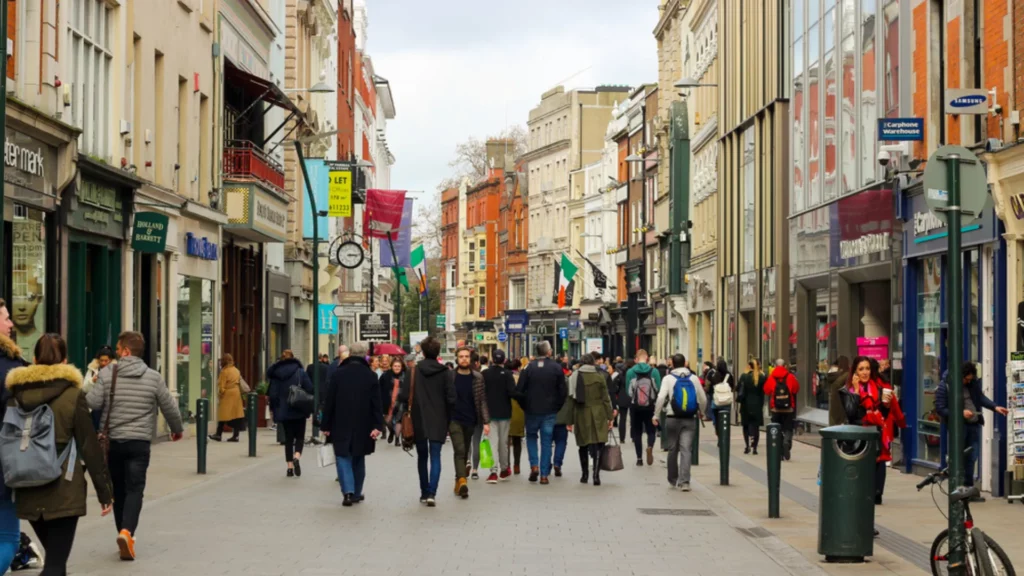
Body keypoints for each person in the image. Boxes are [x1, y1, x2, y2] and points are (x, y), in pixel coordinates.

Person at [7, 334, 114, 575]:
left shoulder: (15, 396)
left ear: (34, 359)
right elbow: (89, 445)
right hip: (63, 487)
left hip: (27, 485)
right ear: (65, 361)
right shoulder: (73, 396)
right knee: (55, 564)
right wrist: (104, 491)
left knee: (57, 562)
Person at [87, 330, 183, 561]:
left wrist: (93, 383)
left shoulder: (108, 373)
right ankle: (127, 532)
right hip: (139, 443)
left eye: (119, 350)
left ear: (126, 351)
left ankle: (123, 531)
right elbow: (169, 406)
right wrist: (176, 429)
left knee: (118, 490)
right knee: (135, 489)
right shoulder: (153, 377)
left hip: (113, 443)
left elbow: (92, 402)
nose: (117, 354)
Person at [322, 342, 385, 506]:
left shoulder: (338, 374)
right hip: (363, 423)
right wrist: (378, 425)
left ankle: (348, 492)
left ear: (350, 354)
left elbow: (330, 402)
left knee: (343, 456)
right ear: (365, 355)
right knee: (358, 458)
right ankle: (356, 492)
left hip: (340, 422)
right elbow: (376, 404)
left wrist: (326, 425)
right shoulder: (370, 375)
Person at [935, 362, 1007, 501]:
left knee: (971, 458)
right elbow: (941, 408)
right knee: (958, 458)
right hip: (958, 427)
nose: (968, 381)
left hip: (973, 425)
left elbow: (980, 398)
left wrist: (995, 407)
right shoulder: (946, 386)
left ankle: (968, 489)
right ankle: (958, 489)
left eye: (970, 379)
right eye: (966, 379)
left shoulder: (972, 384)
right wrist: (960, 413)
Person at [399, 337, 454, 507]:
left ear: (422, 352)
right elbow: (451, 399)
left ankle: (423, 492)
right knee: (435, 456)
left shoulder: (413, 371)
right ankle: (432, 493)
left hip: (418, 418)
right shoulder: (446, 373)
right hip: (439, 420)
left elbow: (403, 395)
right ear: (438, 352)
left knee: (422, 456)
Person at [0, 300, 28, 570]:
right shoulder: (10, 367)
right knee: (8, 539)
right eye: (5, 318)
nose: (11, 324)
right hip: (4, 465)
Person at [516, 341, 568, 484]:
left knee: (531, 437)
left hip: (532, 410)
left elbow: (519, 390)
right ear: (548, 352)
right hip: (549, 411)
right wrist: (557, 406)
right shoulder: (556, 368)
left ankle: (534, 466)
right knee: (546, 442)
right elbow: (563, 391)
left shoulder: (528, 368)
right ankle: (544, 475)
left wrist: (525, 406)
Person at [653, 354, 707, 491]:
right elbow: (703, 398)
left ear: (672, 364)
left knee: (672, 449)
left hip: (672, 418)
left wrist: (656, 415)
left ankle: (672, 479)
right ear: (685, 364)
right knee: (686, 450)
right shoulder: (694, 378)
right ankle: (685, 482)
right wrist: (702, 411)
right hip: (689, 418)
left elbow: (660, 398)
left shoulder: (668, 379)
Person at [566, 354, 615, 486]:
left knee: (583, 443)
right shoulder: (600, 376)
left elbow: (570, 400)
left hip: (581, 412)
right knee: (599, 443)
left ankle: (584, 474)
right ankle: (596, 475)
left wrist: (569, 421)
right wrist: (610, 417)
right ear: (593, 363)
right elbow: (606, 398)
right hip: (598, 412)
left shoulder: (574, 376)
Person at [449, 347, 489, 498]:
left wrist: (486, 421)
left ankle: (458, 480)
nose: (464, 359)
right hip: (454, 419)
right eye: (461, 357)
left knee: (464, 450)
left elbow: (482, 400)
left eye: (466, 356)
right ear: (457, 359)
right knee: (459, 449)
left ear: (471, 359)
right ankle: (462, 480)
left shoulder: (478, 377)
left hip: (471, 419)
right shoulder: (450, 376)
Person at [266, 350, 314, 478]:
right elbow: (309, 388)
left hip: (284, 410)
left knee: (288, 439)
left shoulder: (276, 374)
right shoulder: (300, 372)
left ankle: (289, 468)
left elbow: (273, 394)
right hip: (298, 409)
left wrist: (274, 410)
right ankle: (297, 456)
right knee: (299, 437)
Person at [482, 350, 518, 483]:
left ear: (492, 359)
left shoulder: (485, 374)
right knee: (503, 443)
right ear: (504, 360)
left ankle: (493, 472)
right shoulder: (508, 375)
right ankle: (504, 469)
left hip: (490, 413)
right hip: (505, 413)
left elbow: (482, 393)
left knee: (492, 442)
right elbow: (512, 392)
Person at [625, 349, 662, 466]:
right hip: (650, 406)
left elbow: (628, 391)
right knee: (651, 430)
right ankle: (650, 446)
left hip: (635, 407)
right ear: (647, 358)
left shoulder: (630, 372)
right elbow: (659, 389)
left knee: (637, 432)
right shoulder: (654, 371)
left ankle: (639, 458)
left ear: (636, 358)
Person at [763, 359, 799, 461]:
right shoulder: (790, 377)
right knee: (788, 428)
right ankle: (787, 441)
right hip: (788, 409)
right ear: (785, 366)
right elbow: (796, 389)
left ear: (775, 366)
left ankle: (779, 451)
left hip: (776, 409)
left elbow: (766, 390)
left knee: (777, 430)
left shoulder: (771, 378)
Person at [209, 354, 245, 442]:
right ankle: (236, 435)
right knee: (236, 415)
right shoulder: (236, 370)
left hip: (228, 393)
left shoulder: (224, 371)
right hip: (236, 393)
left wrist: (220, 394)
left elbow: (222, 386)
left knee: (223, 415)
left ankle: (218, 434)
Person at [737, 358, 766, 455]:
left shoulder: (744, 376)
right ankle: (755, 447)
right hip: (757, 405)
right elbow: (765, 390)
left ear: (749, 366)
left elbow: (737, 388)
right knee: (755, 426)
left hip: (745, 405)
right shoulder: (762, 377)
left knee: (746, 425)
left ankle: (747, 446)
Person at [379, 358, 406, 446]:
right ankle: (391, 431)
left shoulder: (405, 375)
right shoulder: (385, 375)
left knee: (399, 420)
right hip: (388, 401)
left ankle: (397, 439)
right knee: (387, 420)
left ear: (402, 367)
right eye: (395, 366)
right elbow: (379, 388)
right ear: (391, 366)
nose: (397, 368)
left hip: (401, 401)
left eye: (399, 366)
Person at [613, 361, 630, 442]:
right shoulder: (632, 375)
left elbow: (615, 388)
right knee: (633, 418)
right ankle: (634, 436)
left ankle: (622, 438)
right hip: (631, 397)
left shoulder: (620, 376)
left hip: (622, 397)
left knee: (622, 418)